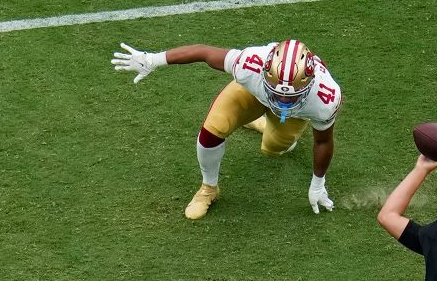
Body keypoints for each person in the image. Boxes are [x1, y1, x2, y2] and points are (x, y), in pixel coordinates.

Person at [111, 39, 341, 220]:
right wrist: (152, 60)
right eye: (278, 92)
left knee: (273, 149)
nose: (282, 100)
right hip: (253, 93)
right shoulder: (250, 64)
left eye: (290, 96)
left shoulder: (324, 98)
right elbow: (203, 52)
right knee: (214, 127)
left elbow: (323, 141)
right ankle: (208, 188)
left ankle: (268, 127)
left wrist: (318, 184)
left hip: (295, 115)